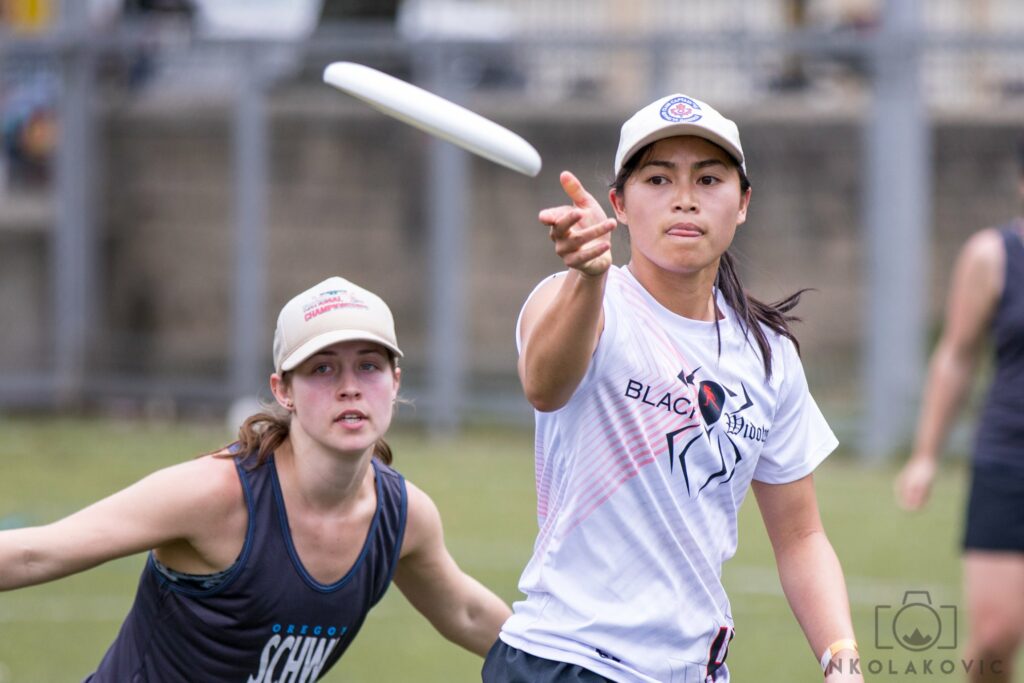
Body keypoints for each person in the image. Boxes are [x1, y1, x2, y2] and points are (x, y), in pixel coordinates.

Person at [483, 94, 863, 682]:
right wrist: (587, 277)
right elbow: (545, 385)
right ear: (619, 203)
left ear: (742, 204)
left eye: (709, 179)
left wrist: (841, 657)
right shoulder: (578, 299)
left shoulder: (768, 356)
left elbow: (802, 535)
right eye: (658, 178)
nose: (685, 197)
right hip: (565, 660)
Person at [0, 276, 511, 681]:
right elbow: (35, 552)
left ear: (395, 382)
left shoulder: (403, 517)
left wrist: (573, 667)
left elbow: (465, 612)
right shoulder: (214, 494)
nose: (351, 387)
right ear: (282, 389)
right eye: (323, 369)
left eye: (370, 366)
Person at [896, 144, 1024, 683]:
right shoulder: (992, 255)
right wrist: (926, 454)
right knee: (993, 639)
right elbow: (955, 354)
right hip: (1008, 461)